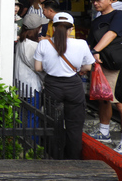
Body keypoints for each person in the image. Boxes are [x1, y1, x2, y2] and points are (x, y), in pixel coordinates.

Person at [34, 12, 94, 159]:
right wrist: (77, 70)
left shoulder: (43, 44)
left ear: (53, 28)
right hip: (73, 86)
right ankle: (73, 159)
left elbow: (38, 68)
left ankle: (56, 157)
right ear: (71, 29)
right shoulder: (81, 44)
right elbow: (88, 67)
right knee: (74, 127)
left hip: (52, 86)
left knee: (54, 124)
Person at [86, 0, 122, 154]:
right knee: (103, 98)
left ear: (110, 0)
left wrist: (95, 51)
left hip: (118, 65)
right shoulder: (95, 21)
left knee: (120, 102)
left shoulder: (118, 15)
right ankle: (104, 131)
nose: (95, 2)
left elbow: (112, 34)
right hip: (103, 65)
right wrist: (91, 56)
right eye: (94, 0)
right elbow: (90, 43)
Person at [15, 14, 48, 93]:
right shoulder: (32, 45)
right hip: (31, 87)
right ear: (37, 29)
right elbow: (38, 67)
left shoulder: (22, 41)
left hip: (21, 85)